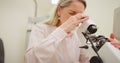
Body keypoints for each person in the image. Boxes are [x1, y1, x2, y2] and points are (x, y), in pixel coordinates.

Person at [25, 0, 90, 63]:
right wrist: (63, 29)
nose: (75, 18)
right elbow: (31, 59)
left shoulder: (77, 35)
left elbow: (86, 60)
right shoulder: (40, 28)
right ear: (59, 10)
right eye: (71, 13)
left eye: (80, 15)